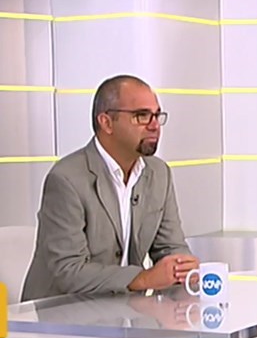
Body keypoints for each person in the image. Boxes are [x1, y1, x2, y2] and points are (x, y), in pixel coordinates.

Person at [21, 75, 199, 301]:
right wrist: (143, 278)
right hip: (60, 311)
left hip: (123, 309)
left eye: (157, 115)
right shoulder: (66, 179)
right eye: (142, 116)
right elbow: (69, 271)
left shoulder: (159, 173)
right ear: (106, 123)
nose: (154, 125)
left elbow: (171, 247)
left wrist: (182, 267)